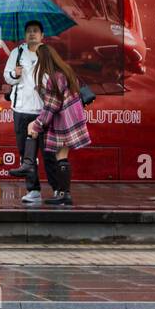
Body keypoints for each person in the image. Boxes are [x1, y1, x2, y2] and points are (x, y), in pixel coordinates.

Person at [25, 43, 91, 207]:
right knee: (62, 156)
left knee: (61, 157)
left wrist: (37, 125)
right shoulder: (66, 72)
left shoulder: (54, 78)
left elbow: (51, 107)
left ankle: (63, 194)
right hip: (73, 119)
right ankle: (63, 194)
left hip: (64, 122)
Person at [2, 19, 45, 204]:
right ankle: (33, 190)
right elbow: (7, 76)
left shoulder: (47, 54)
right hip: (20, 110)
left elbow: (56, 78)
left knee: (48, 153)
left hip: (43, 111)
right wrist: (15, 74)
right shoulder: (17, 52)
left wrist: (42, 86)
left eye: (36, 31)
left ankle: (60, 191)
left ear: (42, 35)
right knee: (26, 154)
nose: (32, 34)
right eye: (29, 31)